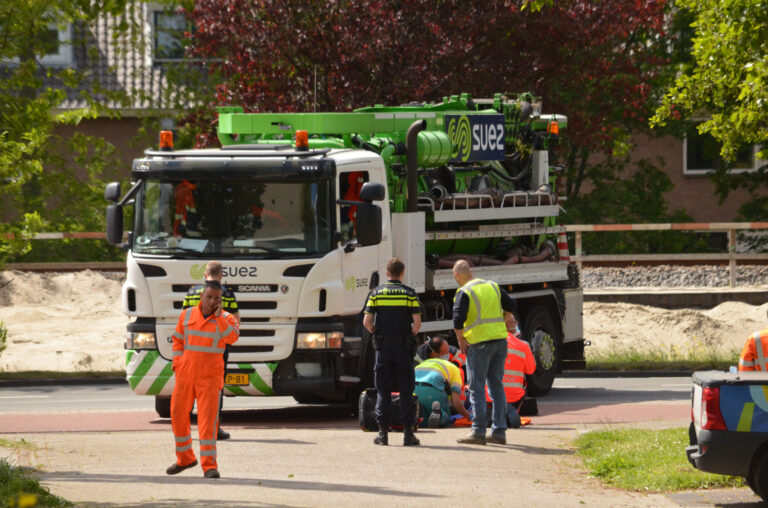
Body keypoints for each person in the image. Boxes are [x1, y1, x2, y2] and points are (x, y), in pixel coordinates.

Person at [167, 280, 239, 478]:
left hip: (209, 378)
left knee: (208, 424)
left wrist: (220, 318)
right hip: (185, 375)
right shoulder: (187, 314)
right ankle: (185, 459)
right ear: (201, 296)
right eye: (209, 297)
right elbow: (177, 340)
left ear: (221, 300)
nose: (212, 301)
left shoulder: (227, 318)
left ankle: (209, 467)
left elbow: (232, 338)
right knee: (177, 415)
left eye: (216, 298)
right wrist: (178, 363)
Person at [452, 259, 517, 445]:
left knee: (477, 388)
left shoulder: (464, 292)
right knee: (497, 387)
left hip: (479, 344)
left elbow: (457, 320)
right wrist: (503, 320)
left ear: (457, 276)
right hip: (499, 341)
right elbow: (512, 305)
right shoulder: (492, 286)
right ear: (470, 272)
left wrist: (461, 339)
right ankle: (499, 432)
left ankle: (478, 431)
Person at [363, 258, 422, 446]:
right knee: (406, 390)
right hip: (404, 347)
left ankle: (383, 434)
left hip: (383, 346)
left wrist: (377, 333)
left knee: (383, 390)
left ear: (387, 273)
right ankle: (408, 434)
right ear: (402, 273)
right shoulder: (409, 294)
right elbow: (417, 323)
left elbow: (367, 322)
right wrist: (407, 335)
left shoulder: (376, 293)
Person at [182, 260, 240, 440]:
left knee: (189, 388)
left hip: (192, 349)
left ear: (205, 274)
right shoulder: (226, 294)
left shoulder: (192, 292)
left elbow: (184, 318)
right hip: (217, 351)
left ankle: (184, 429)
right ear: (221, 275)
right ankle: (213, 430)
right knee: (214, 390)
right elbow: (235, 320)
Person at [414, 337, 472, 427]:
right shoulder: (454, 369)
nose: (448, 354)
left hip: (415, 390)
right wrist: (469, 416)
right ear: (434, 354)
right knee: (446, 420)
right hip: (433, 391)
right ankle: (441, 413)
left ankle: (422, 419)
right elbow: (456, 403)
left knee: (423, 421)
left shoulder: (423, 363)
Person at [496, 313, 536, 428]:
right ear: (510, 326)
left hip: (490, 395)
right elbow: (530, 370)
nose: (516, 325)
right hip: (515, 396)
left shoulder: (489, 344)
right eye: (514, 323)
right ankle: (508, 411)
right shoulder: (523, 346)